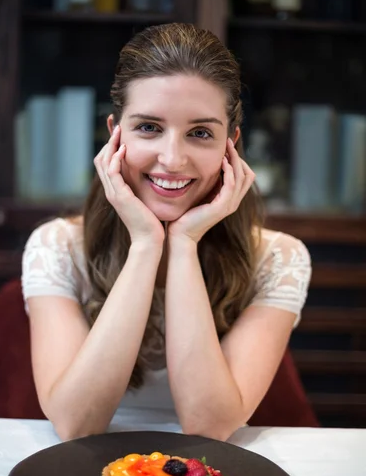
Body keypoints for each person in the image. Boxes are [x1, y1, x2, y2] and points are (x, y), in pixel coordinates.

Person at [22, 23, 311, 442]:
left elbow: (209, 427)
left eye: (200, 133)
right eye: (149, 128)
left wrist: (185, 243)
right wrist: (145, 244)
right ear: (114, 135)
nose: (172, 159)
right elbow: (76, 425)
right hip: (89, 471)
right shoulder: (56, 246)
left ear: (230, 145)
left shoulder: (280, 258)